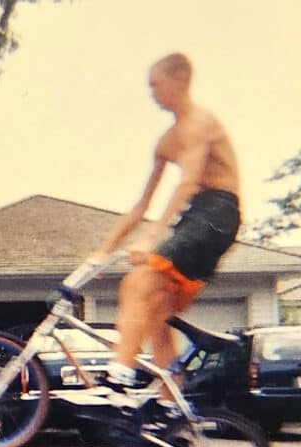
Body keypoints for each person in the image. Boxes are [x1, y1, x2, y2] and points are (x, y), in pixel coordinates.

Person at [89, 52, 240, 417]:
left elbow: (188, 183)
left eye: (156, 85)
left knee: (140, 281)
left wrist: (152, 239)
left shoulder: (201, 123)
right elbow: (141, 205)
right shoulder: (166, 141)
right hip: (194, 216)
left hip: (218, 211)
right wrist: (101, 252)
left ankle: (119, 376)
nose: (152, 93)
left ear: (181, 79)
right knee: (151, 306)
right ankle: (173, 400)